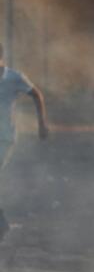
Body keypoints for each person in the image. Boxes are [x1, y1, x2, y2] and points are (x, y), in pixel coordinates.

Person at [0, 43, 48, 240]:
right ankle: (2, 223)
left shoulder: (13, 78)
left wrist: (42, 124)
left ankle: (2, 224)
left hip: (5, 137)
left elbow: (36, 94)